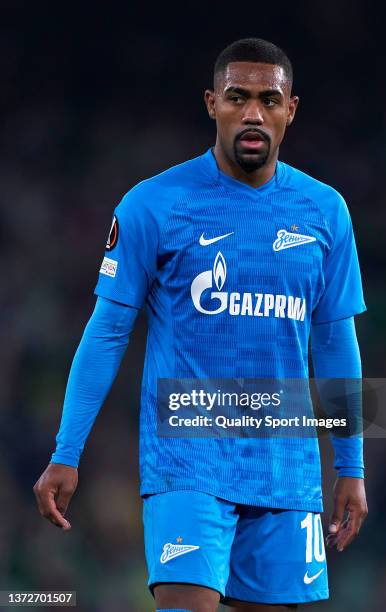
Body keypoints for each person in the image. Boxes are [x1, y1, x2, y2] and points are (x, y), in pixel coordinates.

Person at [33, 38, 368, 611]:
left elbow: (336, 342)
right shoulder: (154, 205)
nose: (254, 112)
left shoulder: (325, 212)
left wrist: (351, 465)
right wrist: (68, 450)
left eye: (270, 98)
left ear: (292, 110)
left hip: (285, 468)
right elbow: (108, 332)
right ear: (213, 103)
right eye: (238, 97)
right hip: (187, 460)